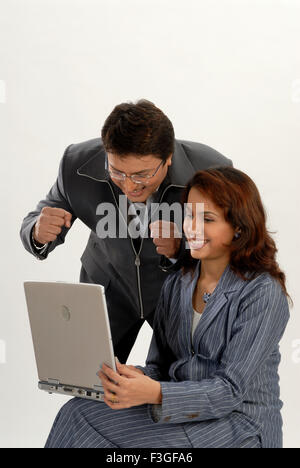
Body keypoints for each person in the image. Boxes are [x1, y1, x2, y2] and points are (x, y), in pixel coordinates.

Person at [45, 167, 291, 449]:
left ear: (238, 228)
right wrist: (132, 378)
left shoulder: (262, 293)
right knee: (77, 412)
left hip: (239, 424)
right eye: (189, 215)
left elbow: (230, 391)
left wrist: (155, 392)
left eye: (207, 219)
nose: (192, 228)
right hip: (183, 412)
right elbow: (159, 367)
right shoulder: (178, 283)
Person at [20, 99, 232, 363]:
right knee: (89, 382)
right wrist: (37, 232)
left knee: (186, 383)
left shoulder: (212, 170)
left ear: (168, 159)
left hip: (177, 291)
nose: (130, 186)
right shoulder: (75, 163)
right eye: (118, 172)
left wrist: (183, 247)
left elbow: (234, 244)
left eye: (142, 175)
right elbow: (36, 218)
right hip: (107, 286)